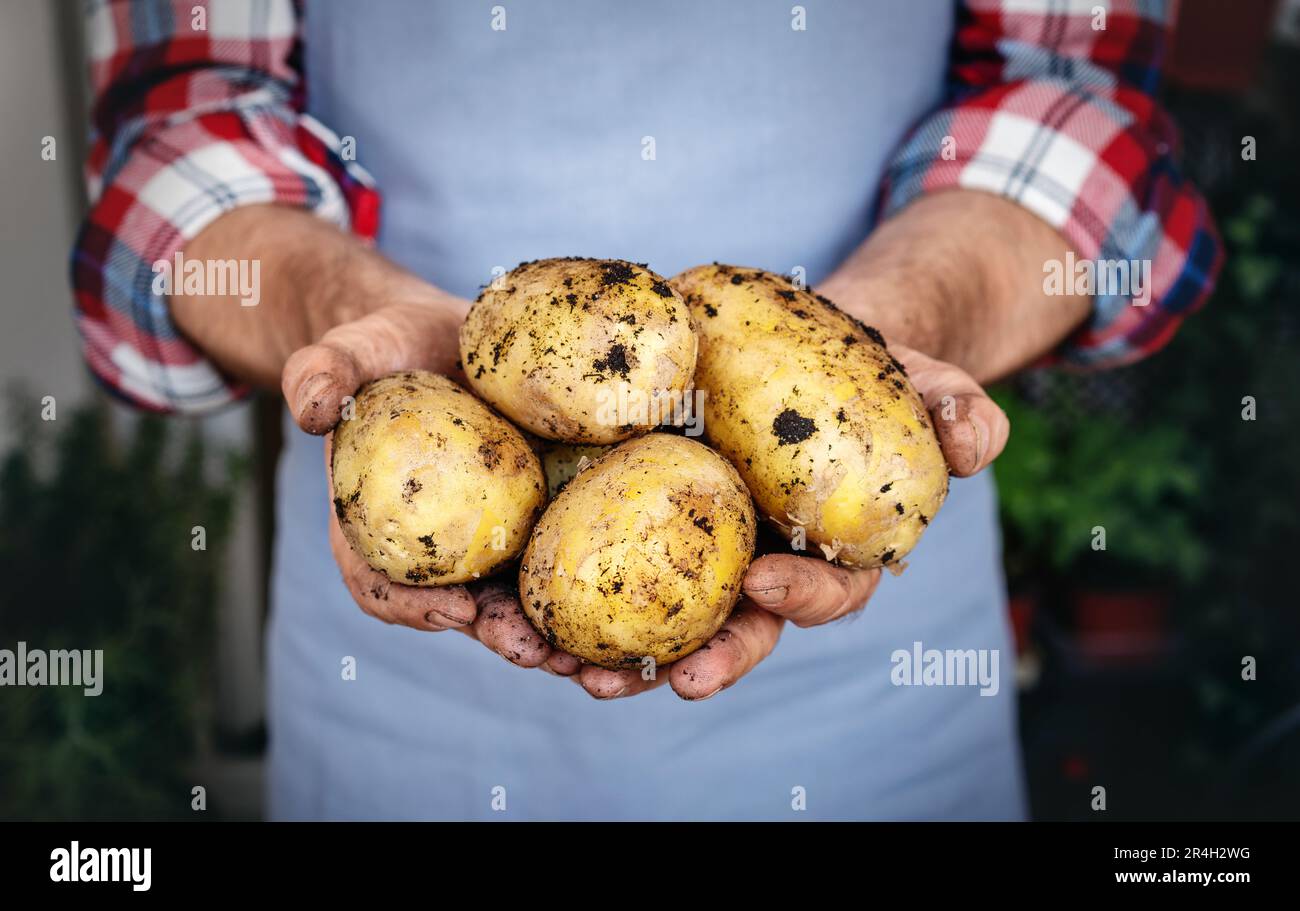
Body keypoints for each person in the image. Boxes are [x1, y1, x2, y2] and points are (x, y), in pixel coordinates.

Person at [72, 0, 1220, 820]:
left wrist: (895, 322)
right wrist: (346, 306)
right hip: (403, 667)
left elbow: (1077, 98)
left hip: (868, 661)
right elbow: (182, 124)